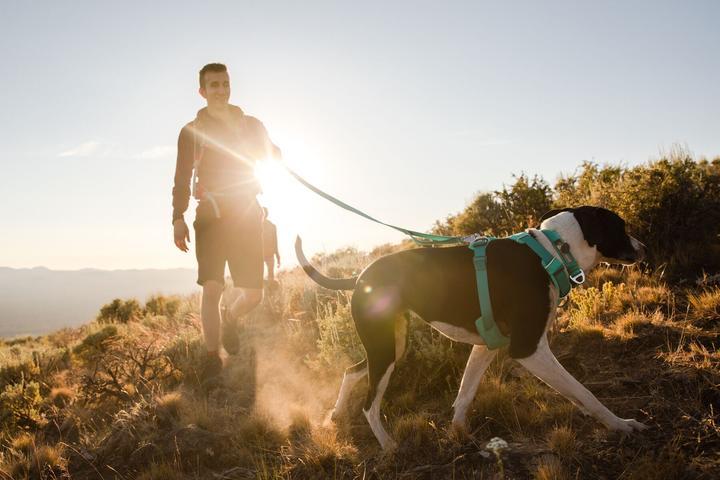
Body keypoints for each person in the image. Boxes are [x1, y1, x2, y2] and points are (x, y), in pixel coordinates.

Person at [172, 63, 281, 380]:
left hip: (247, 214)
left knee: (253, 293)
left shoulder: (252, 125)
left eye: (225, 84)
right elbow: (181, 178)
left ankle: (230, 317)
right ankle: (211, 358)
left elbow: (271, 153)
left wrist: (275, 154)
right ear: (202, 92)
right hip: (210, 215)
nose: (220, 90)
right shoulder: (191, 132)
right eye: (214, 85)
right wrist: (177, 217)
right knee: (212, 285)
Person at [261, 207, 281, 286]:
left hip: (268, 254)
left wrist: (278, 256)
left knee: (270, 275)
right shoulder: (256, 225)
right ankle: (265, 292)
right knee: (265, 276)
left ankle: (269, 292)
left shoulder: (272, 226)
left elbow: (275, 241)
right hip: (261, 254)